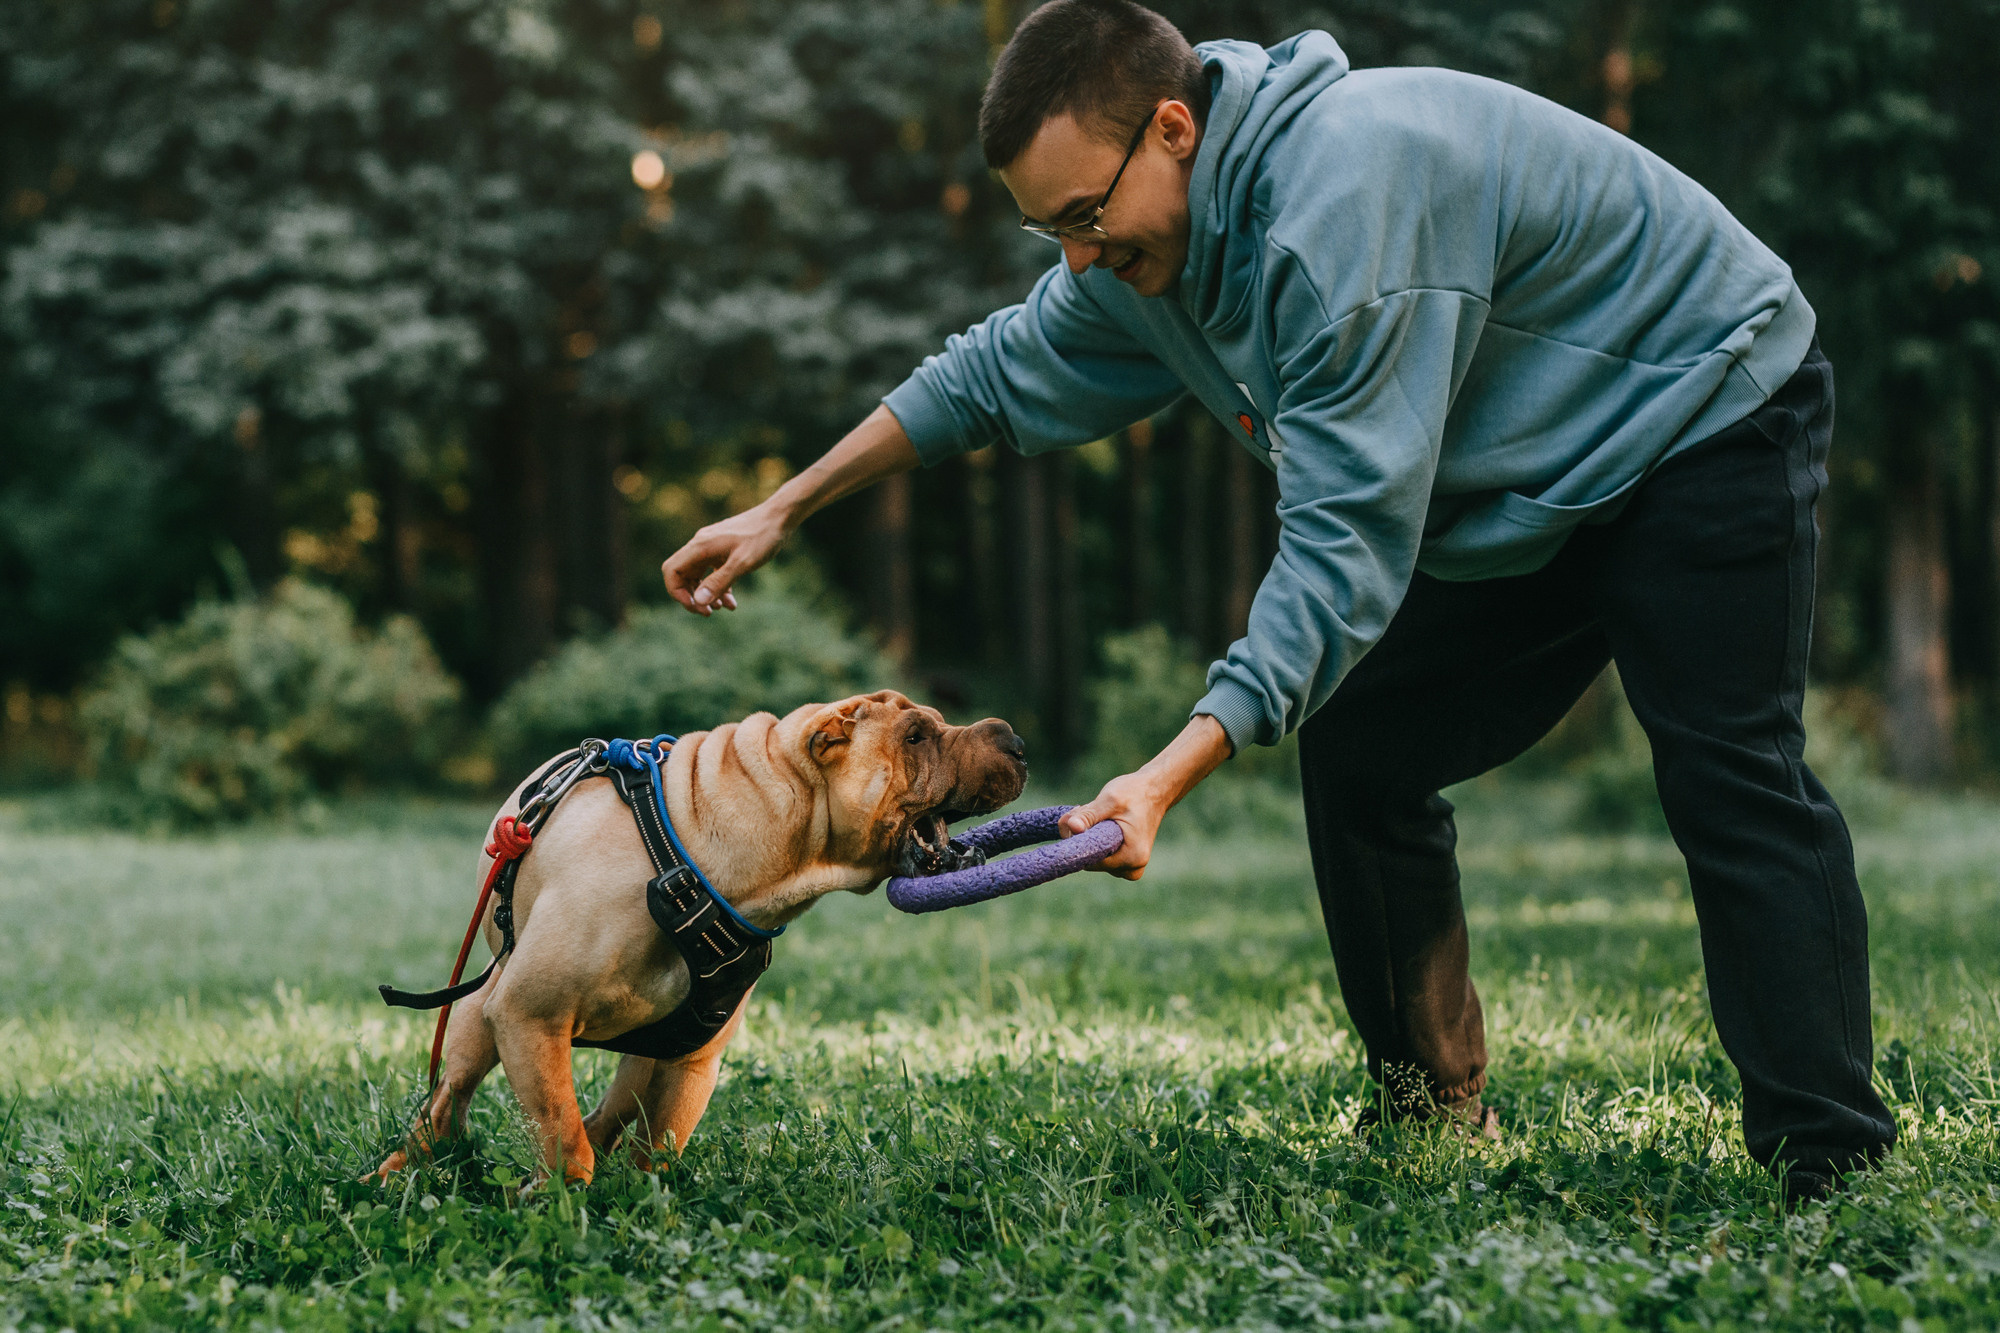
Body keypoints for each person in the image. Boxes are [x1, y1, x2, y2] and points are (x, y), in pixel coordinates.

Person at [659, 0, 1896, 1196]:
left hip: (1702, 401)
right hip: (1531, 480)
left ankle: (1828, 1156)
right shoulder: (1153, 247)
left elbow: (1342, 551)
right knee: (1363, 742)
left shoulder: (1336, 219)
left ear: (1172, 129)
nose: (1081, 258)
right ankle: (1427, 1114)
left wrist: (1164, 771)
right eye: (1053, 235)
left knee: (1726, 769)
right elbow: (992, 371)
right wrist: (782, 506)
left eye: (1086, 216)